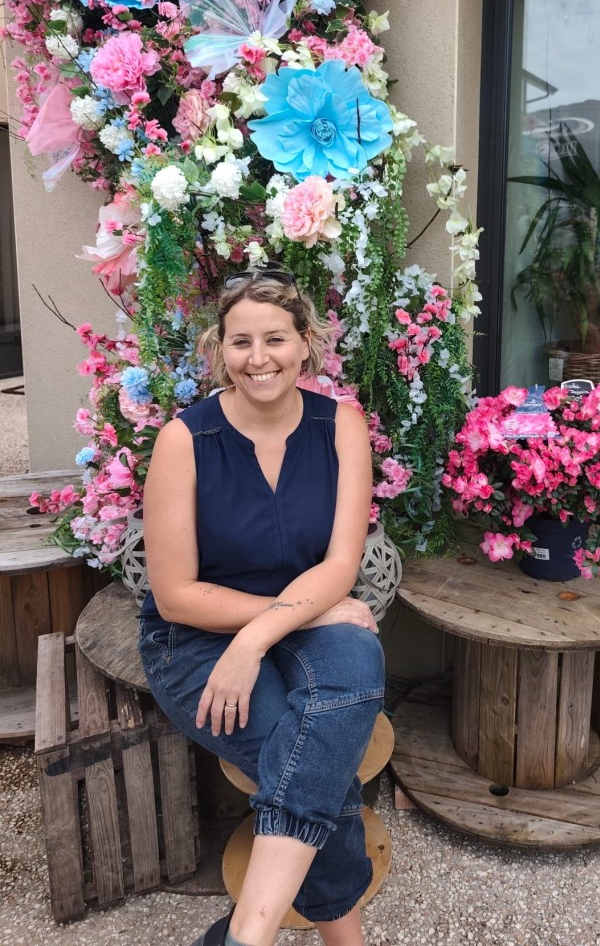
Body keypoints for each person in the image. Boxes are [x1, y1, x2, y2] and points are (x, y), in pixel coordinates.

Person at [137, 270, 385, 946]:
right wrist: (291, 615)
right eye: (241, 341)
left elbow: (340, 565)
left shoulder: (342, 425)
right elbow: (176, 594)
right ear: (220, 349)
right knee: (310, 753)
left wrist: (258, 638)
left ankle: (247, 934)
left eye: (275, 338)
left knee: (352, 666)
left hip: (303, 616)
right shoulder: (184, 440)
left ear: (305, 343)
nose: (259, 357)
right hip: (196, 635)